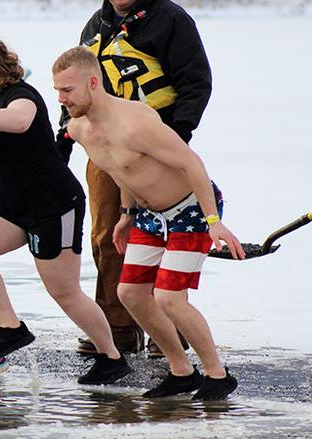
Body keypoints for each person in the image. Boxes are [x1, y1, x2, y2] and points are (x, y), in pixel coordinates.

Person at [0, 31, 131, 383]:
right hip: (10, 203)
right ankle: (11, 329)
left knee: (65, 293)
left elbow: (20, 121)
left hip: (53, 204)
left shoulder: (21, 95)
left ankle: (112, 357)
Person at [53, 46, 244, 400]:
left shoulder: (136, 122)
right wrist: (126, 215)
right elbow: (118, 168)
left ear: (93, 83)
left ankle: (217, 375)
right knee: (130, 293)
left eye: (67, 90)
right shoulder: (79, 129)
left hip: (191, 209)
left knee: (170, 297)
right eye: (57, 91)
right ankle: (181, 372)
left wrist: (214, 221)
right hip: (148, 215)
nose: (61, 99)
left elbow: (192, 164)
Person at [56, 0, 213, 357]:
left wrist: (176, 138)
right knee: (106, 237)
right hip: (104, 148)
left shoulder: (170, 20)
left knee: (165, 237)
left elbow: (196, 83)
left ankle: (168, 329)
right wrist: (59, 150)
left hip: (156, 146)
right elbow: (74, 89)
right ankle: (118, 327)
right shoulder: (96, 25)